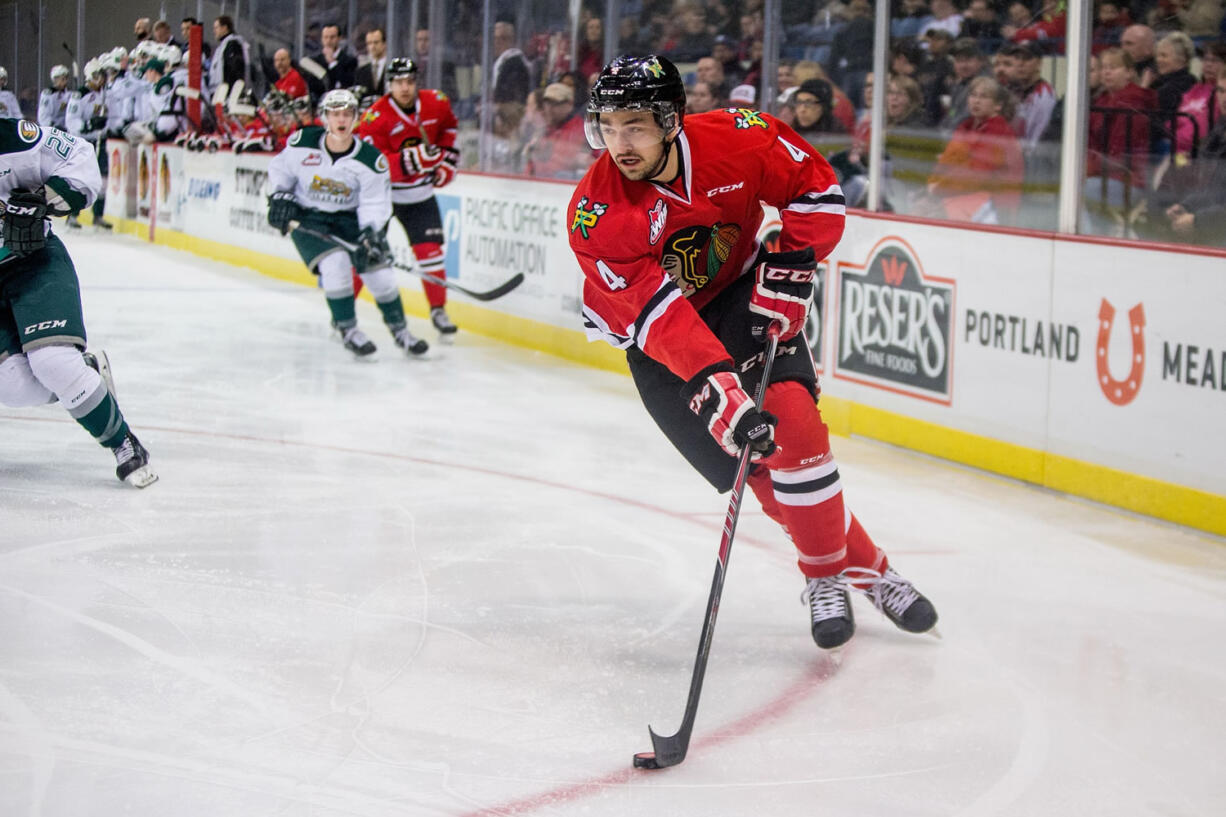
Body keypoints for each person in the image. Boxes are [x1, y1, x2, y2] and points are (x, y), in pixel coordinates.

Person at [568, 55, 938, 651]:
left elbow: (814, 187)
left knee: (797, 430)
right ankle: (871, 570)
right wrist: (718, 384)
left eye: (634, 124)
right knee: (761, 474)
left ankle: (823, 578)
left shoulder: (740, 139)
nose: (619, 142)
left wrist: (792, 260)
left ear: (671, 119)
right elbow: (655, 316)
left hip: (743, 296)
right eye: (607, 126)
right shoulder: (597, 212)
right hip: (661, 340)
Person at [0, 118, 157, 487]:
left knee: (53, 362)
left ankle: (123, 442)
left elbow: (81, 158)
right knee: (13, 386)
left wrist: (43, 199)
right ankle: (87, 373)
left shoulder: (16, 138)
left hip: (31, 260)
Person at [267, 89, 429, 358]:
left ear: (355, 118)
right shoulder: (303, 142)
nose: (341, 120)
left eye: (347, 114)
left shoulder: (370, 160)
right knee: (335, 265)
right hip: (310, 217)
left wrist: (370, 233)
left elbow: (374, 203)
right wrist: (280, 195)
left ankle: (402, 333)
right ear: (325, 117)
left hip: (351, 220)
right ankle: (349, 331)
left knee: (381, 276)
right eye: (335, 114)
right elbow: (280, 170)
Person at [355, 58, 460, 336]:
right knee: (366, 252)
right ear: (389, 84)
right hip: (383, 198)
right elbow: (373, 165)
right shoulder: (375, 118)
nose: (405, 88)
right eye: (399, 82)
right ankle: (346, 311)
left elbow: (449, 129)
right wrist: (412, 160)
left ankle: (438, 310)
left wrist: (447, 162)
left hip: (420, 196)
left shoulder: (436, 102)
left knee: (430, 253)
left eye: (410, 82)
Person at [924, 76, 1024, 222]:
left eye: (984, 97)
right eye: (973, 95)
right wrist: (933, 183)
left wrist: (939, 189)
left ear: (998, 105)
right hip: (962, 195)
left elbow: (977, 174)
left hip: (995, 205)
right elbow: (948, 160)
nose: (976, 101)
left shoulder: (999, 132)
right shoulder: (966, 126)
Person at [1163, 73, 1226, 245]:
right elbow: (1213, 190)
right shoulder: (1220, 128)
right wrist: (1187, 206)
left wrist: (1198, 220)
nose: (1224, 98)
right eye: (1221, 91)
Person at [525, 81, 594, 180]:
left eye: (555, 103)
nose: (549, 108)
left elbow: (576, 163)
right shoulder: (542, 129)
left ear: (569, 104)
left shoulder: (581, 130)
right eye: (547, 103)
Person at [307, 24, 358, 94]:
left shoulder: (350, 60)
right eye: (326, 37)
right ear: (322, 39)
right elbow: (313, 87)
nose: (328, 41)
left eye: (332, 37)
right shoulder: (315, 61)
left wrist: (333, 63)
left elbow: (348, 82)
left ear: (339, 38)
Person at [210, 15, 252, 95]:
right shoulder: (223, 46)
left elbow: (234, 70)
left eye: (216, 28)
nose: (214, 31)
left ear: (224, 28)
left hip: (227, 94)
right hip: (220, 93)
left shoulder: (232, 45)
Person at [355, 28, 390, 98]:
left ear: (384, 44)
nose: (372, 47)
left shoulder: (391, 68)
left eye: (376, 42)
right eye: (369, 43)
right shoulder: (360, 72)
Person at [38, 66, 73, 131]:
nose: (65, 82)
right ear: (55, 79)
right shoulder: (48, 94)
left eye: (66, 79)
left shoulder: (69, 94)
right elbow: (43, 117)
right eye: (62, 79)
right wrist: (54, 126)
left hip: (66, 129)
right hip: (52, 129)